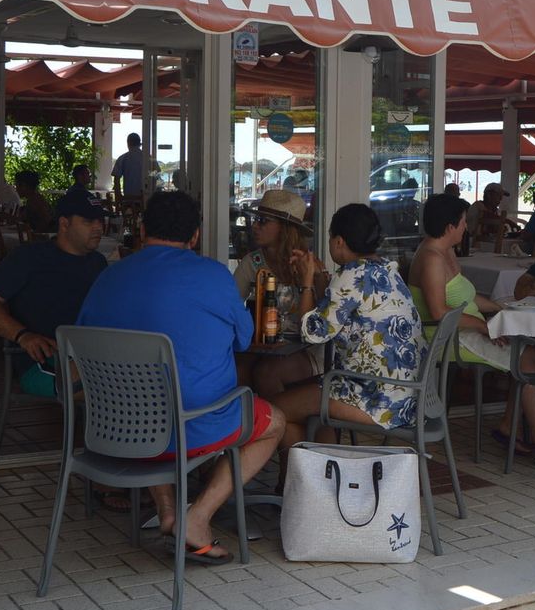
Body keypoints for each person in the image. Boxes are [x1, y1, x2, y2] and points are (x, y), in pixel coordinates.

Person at [76, 190, 283, 564]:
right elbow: (243, 340)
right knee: (274, 422)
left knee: (143, 395)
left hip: (118, 427)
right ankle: (197, 518)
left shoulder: (108, 278)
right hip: (194, 426)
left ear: (142, 229)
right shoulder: (213, 276)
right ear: (196, 235)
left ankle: (169, 511)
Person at [409, 193, 535, 454]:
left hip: (464, 327)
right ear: (450, 226)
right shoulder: (431, 258)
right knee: (526, 357)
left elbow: (466, 297)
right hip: (443, 336)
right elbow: (438, 312)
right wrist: (486, 327)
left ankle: (509, 425)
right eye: (462, 222)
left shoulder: (445, 251)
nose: (466, 226)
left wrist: (500, 307)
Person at [273, 203, 425, 455]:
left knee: (276, 410)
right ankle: (324, 472)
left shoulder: (351, 276)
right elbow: (338, 311)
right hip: (407, 396)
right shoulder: (387, 270)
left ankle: (315, 481)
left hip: (376, 398)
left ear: (339, 241)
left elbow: (312, 332)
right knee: (302, 403)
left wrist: (307, 282)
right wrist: (319, 273)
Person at [0, 197, 109, 400]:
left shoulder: (98, 262)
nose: (98, 227)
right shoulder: (29, 258)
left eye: (100, 221)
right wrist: (23, 336)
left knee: (146, 376)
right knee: (112, 386)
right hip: (42, 360)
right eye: (88, 221)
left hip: (90, 354)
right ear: (64, 224)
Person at [233, 189, 317, 397]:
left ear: (284, 228)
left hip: (305, 349)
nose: (255, 225)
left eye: (262, 220)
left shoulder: (309, 265)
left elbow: (320, 322)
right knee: (236, 369)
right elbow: (231, 307)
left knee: (267, 373)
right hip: (262, 346)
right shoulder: (251, 264)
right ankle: (252, 426)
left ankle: (280, 424)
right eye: (255, 219)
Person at [112, 132, 157, 203]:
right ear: (140, 144)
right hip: (147, 198)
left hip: (129, 199)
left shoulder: (123, 158)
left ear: (128, 143)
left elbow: (116, 180)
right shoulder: (149, 158)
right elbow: (155, 175)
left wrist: (119, 197)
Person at [13, 169, 53, 233]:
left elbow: (47, 222)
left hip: (42, 240)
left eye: (17, 186)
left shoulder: (36, 201)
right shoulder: (33, 199)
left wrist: (34, 233)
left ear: (24, 186)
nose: (16, 189)